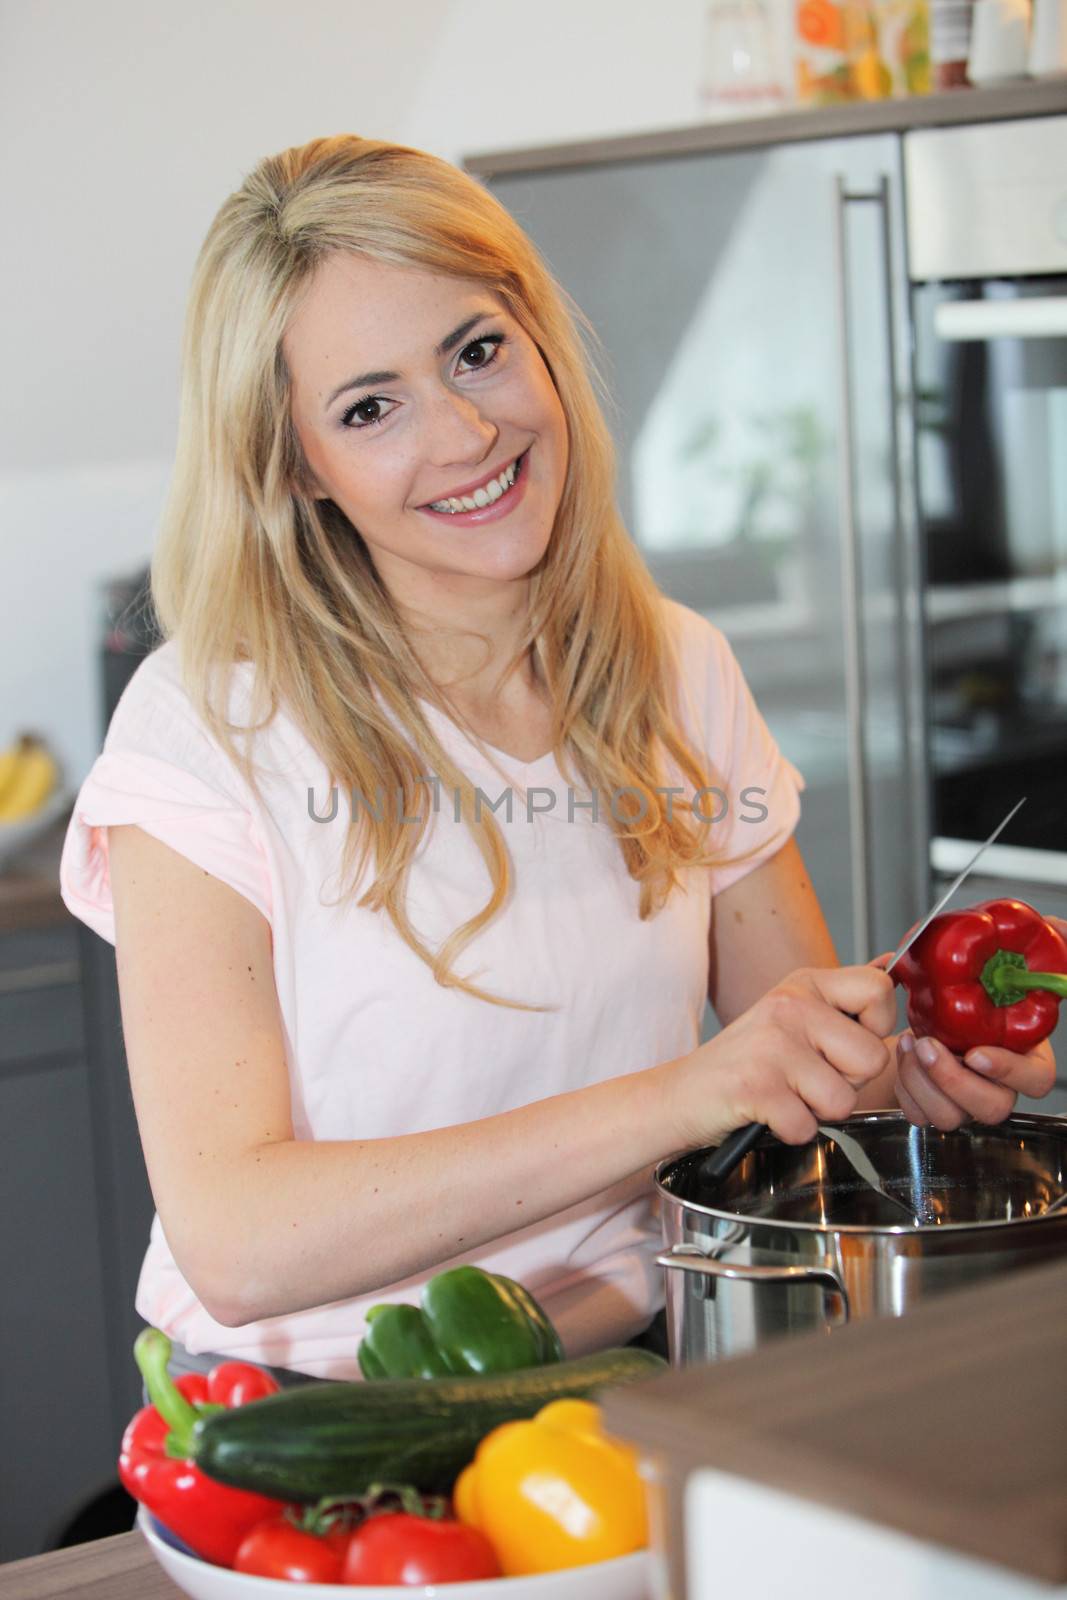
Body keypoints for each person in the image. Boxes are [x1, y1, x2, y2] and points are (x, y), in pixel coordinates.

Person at [60, 134, 1057, 1384]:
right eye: (370, 408)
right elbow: (239, 1241)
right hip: (316, 1424)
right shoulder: (203, 729)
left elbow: (796, 1090)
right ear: (294, 468)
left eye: (476, 350)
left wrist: (906, 1086)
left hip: (640, 1372)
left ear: (538, 341)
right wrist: (690, 1092)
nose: (468, 431)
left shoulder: (676, 669)